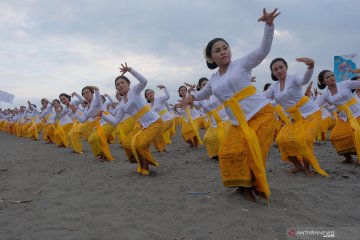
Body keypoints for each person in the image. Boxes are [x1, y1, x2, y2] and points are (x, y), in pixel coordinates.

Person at [178, 8, 280, 202]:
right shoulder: (214, 78)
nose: (223, 51)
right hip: (237, 122)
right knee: (227, 152)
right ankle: (242, 186)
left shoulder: (242, 64)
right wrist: (190, 98)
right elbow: (203, 93)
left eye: (225, 47)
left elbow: (263, 50)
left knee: (251, 151)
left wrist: (269, 26)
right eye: (217, 50)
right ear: (211, 58)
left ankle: (250, 188)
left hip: (261, 114)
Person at [263, 57, 328, 177]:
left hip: (311, 113)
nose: (279, 71)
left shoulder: (294, 78)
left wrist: (310, 67)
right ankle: (298, 166)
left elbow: (304, 80)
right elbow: (262, 98)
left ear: (286, 67)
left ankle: (307, 168)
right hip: (295, 117)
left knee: (303, 139)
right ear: (272, 72)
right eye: (275, 69)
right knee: (281, 140)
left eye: (281, 67)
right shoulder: (274, 86)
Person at [101, 63, 163, 175]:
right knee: (127, 143)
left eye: (122, 82)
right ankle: (141, 165)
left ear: (128, 84)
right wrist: (102, 114)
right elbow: (115, 121)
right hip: (142, 126)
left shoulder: (134, 91)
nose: (120, 85)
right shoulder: (120, 104)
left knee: (141, 144)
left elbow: (144, 81)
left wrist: (130, 70)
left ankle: (146, 169)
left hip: (155, 122)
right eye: (117, 84)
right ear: (116, 89)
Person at [316, 70, 360, 164]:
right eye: (327, 77)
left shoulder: (345, 84)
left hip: (357, 113)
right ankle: (348, 158)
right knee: (335, 136)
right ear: (323, 81)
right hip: (344, 118)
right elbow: (315, 106)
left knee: (357, 133)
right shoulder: (326, 95)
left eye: (332, 75)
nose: (331, 77)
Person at [145, 84, 174, 152]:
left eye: (151, 92)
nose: (150, 94)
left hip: (168, 119)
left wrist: (164, 88)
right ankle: (162, 148)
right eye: (148, 94)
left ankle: (161, 148)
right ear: (146, 98)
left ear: (153, 93)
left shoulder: (159, 99)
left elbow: (168, 96)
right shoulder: (148, 106)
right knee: (156, 134)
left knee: (158, 133)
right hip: (159, 122)